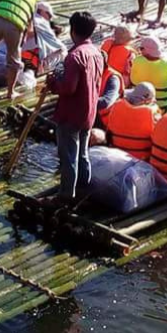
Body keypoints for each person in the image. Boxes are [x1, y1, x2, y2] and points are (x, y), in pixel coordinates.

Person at [46, 11, 103, 203]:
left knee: (68, 155)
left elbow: (68, 88)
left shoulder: (75, 56)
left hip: (71, 113)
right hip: (89, 111)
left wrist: (53, 84)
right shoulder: (97, 52)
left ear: (72, 30)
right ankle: (83, 187)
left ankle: (66, 195)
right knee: (82, 152)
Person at [106, 82, 160, 161]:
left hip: (117, 158)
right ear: (148, 101)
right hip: (142, 161)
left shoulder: (116, 106)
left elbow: (109, 132)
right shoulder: (153, 115)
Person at [96, 51, 124, 129]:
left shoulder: (112, 78)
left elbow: (106, 102)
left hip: (107, 121)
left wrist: (81, 102)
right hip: (93, 115)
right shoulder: (90, 73)